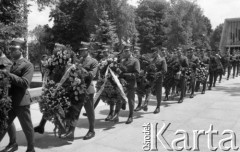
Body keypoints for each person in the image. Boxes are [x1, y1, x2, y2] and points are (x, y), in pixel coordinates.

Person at [0, 39, 35, 152]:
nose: (11, 51)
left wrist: (8, 74)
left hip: (21, 102)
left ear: (21, 50)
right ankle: (13, 143)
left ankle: (31, 148)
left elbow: (25, 83)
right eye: (10, 49)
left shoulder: (28, 65)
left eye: (14, 49)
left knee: (27, 128)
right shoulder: (12, 64)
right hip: (10, 102)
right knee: (4, 125)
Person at [64, 42, 98, 140]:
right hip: (77, 90)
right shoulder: (79, 60)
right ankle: (71, 132)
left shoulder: (93, 61)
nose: (81, 52)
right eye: (80, 50)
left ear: (87, 50)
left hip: (87, 90)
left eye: (83, 50)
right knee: (75, 111)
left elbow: (91, 75)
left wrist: (79, 69)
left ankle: (92, 130)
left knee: (90, 111)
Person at [112, 44, 140, 124]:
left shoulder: (135, 61)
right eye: (124, 51)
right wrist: (117, 72)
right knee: (119, 98)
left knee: (131, 101)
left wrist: (125, 75)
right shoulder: (122, 61)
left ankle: (130, 116)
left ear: (130, 51)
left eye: (127, 51)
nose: (125, 52)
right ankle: (116, 115)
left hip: (131, 84)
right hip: (122, 83)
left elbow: (137, 74)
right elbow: (120, 71)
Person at [142, 47, 167, 113]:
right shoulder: (151, 60)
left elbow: (164, 70)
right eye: (152, 52)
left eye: (155, 52)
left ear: (157, 52)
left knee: (158, 93)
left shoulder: (162, 60)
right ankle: (146, 104)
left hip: (158, 79)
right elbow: (148, 69)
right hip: (150, 78)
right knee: (148, 91)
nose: (153, 53)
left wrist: (157, 74)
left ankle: (158, 107)